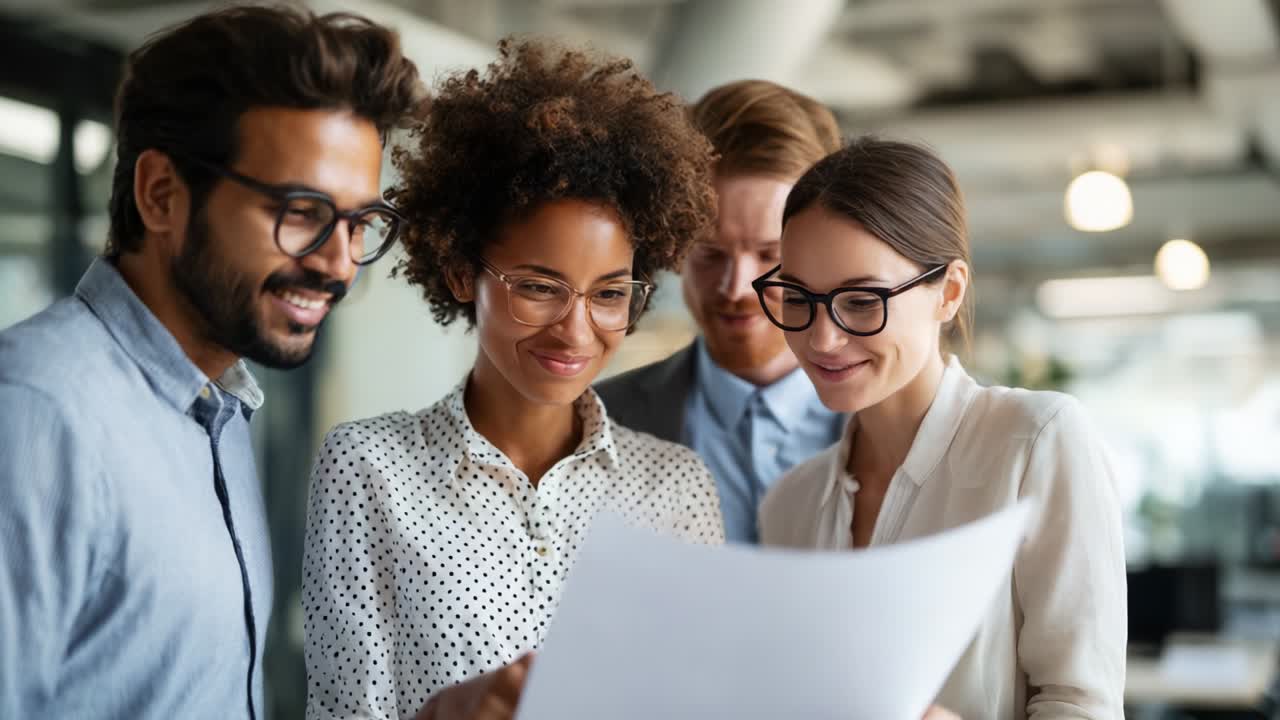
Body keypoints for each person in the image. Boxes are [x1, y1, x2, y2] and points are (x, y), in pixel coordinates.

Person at [0, 7, 425, 719]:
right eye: (301, 211)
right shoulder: (36, 413)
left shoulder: (215, 411)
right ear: (161, 195)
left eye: (359, 224)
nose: (339, 263)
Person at [301, 38, 724, 720]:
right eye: (539, 287)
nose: (576, 331)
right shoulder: (370, 469)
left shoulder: (676, 488)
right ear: (460, 272)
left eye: (609, 294)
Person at [756, 137, 1127, 719]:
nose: (822, 338)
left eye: (862, 301)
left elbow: (1083, 706)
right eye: (799, 298)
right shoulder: (791, 504)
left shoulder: (1035, 444)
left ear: (949, 292)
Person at [597, 80, 846, 543]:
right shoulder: (595, 423)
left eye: (770, 255)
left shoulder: (911, 428)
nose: (736, 288)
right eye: (710, 253)